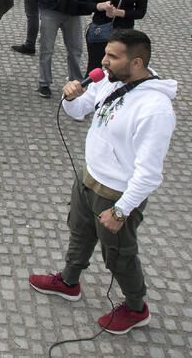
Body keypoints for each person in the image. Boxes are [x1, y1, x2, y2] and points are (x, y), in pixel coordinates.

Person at [30, 29, 176, 335]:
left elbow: (149, 173)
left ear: (136, 62)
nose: (104, 62)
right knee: (79, 233)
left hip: (116, 194)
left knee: (119, 255)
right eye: (105, 54)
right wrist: (71, 97)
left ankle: (137, 308)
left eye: (113, 57)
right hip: (88, 178)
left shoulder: (155, 109)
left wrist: (121, 210)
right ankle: (69, 282)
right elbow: (80, 112)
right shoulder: (109, 80)